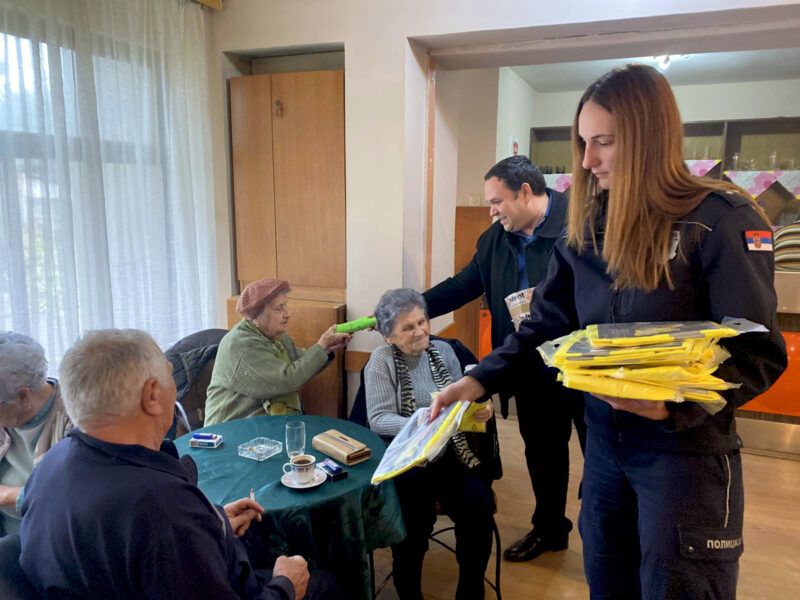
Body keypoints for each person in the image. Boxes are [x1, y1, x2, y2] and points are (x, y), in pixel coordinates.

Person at [430, 64, 787, 599]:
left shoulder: (721, 220)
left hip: (683, 454)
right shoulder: (586, 227)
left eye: (604, 142)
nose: (588, 161)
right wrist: (479, 379)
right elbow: (545, 325)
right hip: (604, 449)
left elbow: (758, 354)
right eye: (583, 143)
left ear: (650, 138)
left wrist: (673, 406)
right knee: (608, 582)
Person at [19, 328, 341, 600]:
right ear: (153, 396)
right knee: (325, 582)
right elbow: (159, 532)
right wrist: (285, 585)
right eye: (172, 377)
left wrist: (210, 524)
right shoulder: (161, 509)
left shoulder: (50, 466)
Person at [423, 155, 585, 561]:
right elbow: (463, 285)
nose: (492, 211)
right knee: (544, 454)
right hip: (528, 363)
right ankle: (550, 529)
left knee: (603, 457)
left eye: (497, 201)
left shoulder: (580, 225)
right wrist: (414, 306)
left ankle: (614, 538)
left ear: (526, 192)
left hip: (585, 365)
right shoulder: (496, 239)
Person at [365, 289, 497, 600]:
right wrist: (427, 423)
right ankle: (410, 594)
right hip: (409, 460)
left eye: (422, 321)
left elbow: (459, 404)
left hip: (451, 453)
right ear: (388, 336)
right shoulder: (380, 362)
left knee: (478, 508)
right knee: (414, 524)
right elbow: (379, 419)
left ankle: (470, 591)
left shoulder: (444, 352)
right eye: (407, 327)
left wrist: (478, 410)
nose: (421, 331)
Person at [205, 278, 352, 425]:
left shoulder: (277, 336)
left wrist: (328, 348)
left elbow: (301, 363)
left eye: (286, 306)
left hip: (261, 428)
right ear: (255, 317)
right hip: (228, 433)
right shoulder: (241, 345)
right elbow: (285, 381)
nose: (287, 314)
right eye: (279, 308)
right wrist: (322, 347)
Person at [0, 332, 71, 537]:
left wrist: (6, 495)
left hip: (49, 541)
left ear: (23, 395)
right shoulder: (7, 408)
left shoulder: (79, 416)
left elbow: (73, 498)